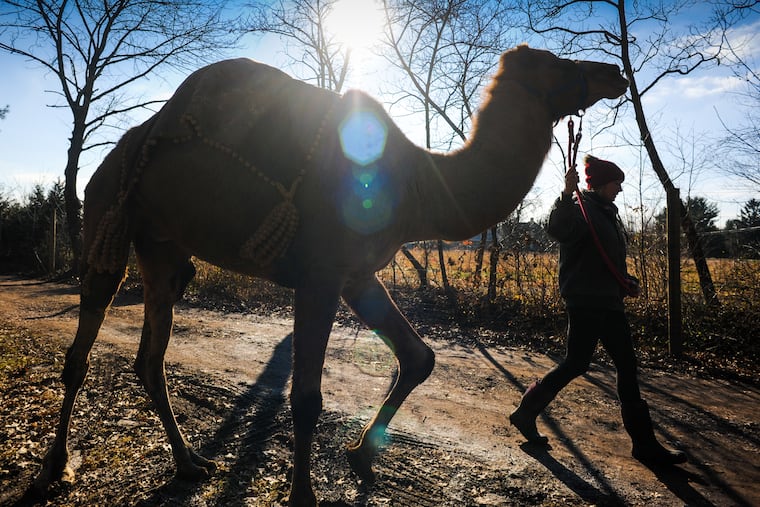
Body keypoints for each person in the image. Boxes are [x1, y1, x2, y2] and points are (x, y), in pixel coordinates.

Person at [509, 154, 687, 466]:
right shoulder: (581, 209)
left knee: (627, 365)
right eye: (616, 182)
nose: (620, 188)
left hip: (609, 301)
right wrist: (565, 194)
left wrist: (625, 280)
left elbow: (607, 258)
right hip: (586, 300)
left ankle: (644, 445)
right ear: (603, 183)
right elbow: (558, 229)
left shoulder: (607, 213)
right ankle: (525, 413)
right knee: (576, 364)